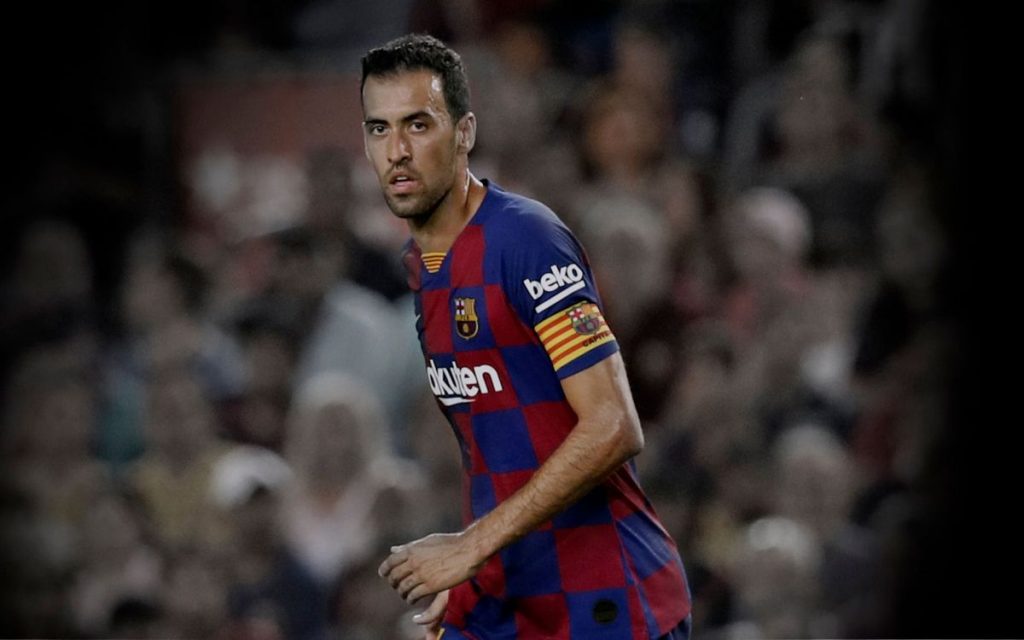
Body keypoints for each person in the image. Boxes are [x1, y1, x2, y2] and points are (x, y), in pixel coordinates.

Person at [361, 34, 692, 639]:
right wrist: (474, 566)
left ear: (464, 133)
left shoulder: (526, 241)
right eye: (379, 129)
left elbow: (614, 424)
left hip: (609, 604)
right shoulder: (421, 267)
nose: (398, 151)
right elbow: (503, 449)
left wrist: (471, 546)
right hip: (513, 597)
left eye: (418, 125)